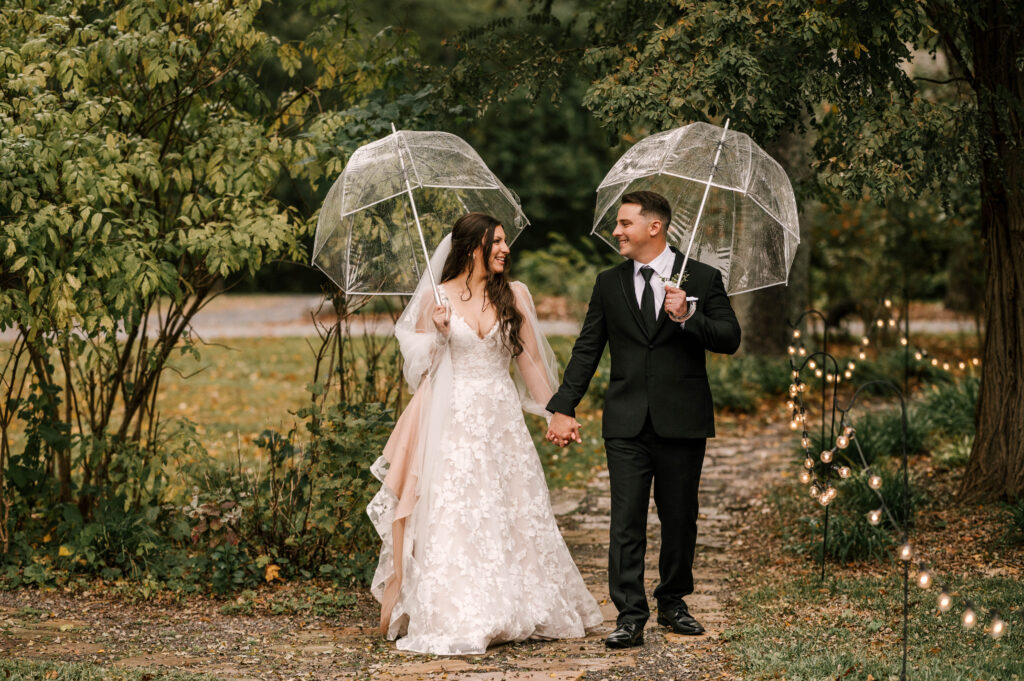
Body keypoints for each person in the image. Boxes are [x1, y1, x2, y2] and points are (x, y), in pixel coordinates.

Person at [367, 212, 602, 656]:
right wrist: (436, 336)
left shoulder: (513, 295)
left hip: (501, 419)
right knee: (459, 508)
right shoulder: (435, 300)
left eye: (505, 242)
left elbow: (529, 361)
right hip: (451, 420)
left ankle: (524, 601)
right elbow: (418, 374)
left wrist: (556, 412)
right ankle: (463, 609)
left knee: (512, 503)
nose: (505, 249)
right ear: (473, 246)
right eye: (496, 241)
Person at [545, 190, 741, 649]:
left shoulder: (703, 277)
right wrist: (563, 404)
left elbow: (730, 338)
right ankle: (630, 615)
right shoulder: (608, 283)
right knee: (625, 520)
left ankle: (674, 603)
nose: (617, 231)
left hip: (683, 420)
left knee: (680, 518)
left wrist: (688, 314)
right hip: (626, 420)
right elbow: (588, 348)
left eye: (625, 223)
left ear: (655, 227)